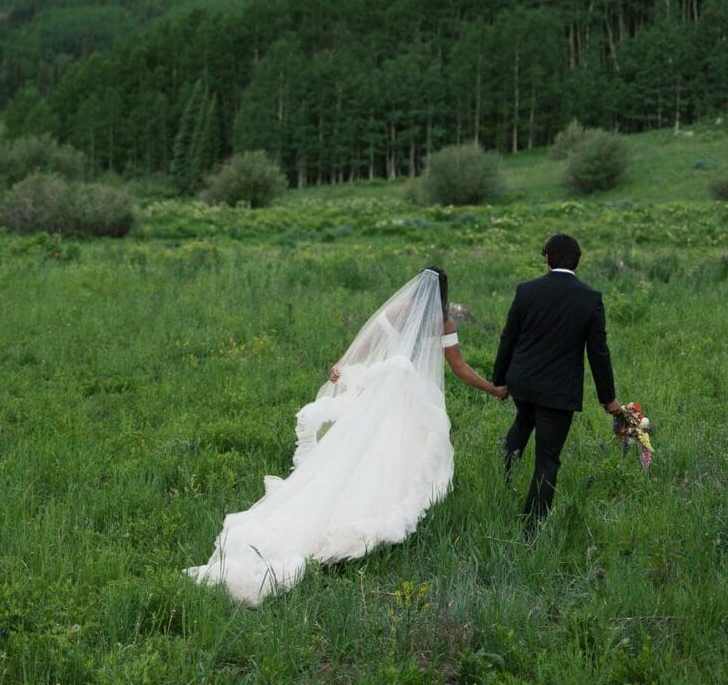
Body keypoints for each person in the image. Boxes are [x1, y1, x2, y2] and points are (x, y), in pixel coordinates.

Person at [185, 265, 506, 606]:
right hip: (414, 400)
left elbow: (368, 340)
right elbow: (459, 367)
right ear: (443, 293)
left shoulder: (399, 312)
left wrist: (343, 361)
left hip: (384, 394)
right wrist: (492, 389)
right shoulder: (443, 323)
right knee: (402, 454)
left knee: (360, 450)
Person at [492, 233, 622, 525]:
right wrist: (608, 399)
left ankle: (503, 475)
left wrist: (499, 380)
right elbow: (598, 352)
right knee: (548, 458)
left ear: (547, 258)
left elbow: (508, 338)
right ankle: (532, 527)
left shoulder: (527, 291)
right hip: (558, 392)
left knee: (524, 420)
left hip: (523, 384)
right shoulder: (590, 299)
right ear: (577, 261)